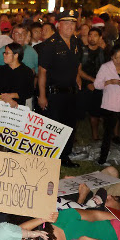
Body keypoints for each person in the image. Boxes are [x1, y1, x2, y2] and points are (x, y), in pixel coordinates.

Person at [37, 10, 82, 167]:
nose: (70, 26)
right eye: (66, 23)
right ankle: (50, 158)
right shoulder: (50, 45)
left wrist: (77, 77)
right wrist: (42, 96)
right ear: (59, 25)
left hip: (71, 93)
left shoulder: (76, 42)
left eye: (73, 23)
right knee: (54, 128)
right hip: (54, 94)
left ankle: (64, 157)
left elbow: (76, 64)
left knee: (70, 126)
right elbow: (42, 72)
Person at [79, 27, 106, 141]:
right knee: (78, 113)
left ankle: (95, 135)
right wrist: (91, 81)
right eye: (90, 35)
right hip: (83, 86)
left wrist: (96, 83)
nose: (92, 38)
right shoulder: (81, 51)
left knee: (95, 114)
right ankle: (72, 136)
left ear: (100, 38)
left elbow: (107, 70)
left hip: (98, 86)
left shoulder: (104, 53)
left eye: (95, 35)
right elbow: (78, 70)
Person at [0, 42, 35, 108]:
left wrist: (12, 96)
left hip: (18, 108)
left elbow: (29, 92)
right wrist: (6, 98)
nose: (4, 55)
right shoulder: (0, 69)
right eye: (4, 53)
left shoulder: (27, 71)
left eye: (7, 53)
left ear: (16, 55)